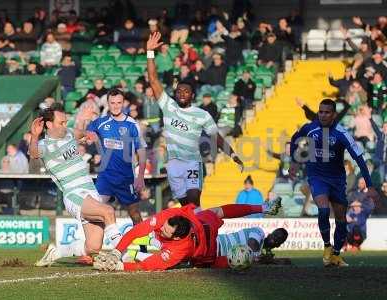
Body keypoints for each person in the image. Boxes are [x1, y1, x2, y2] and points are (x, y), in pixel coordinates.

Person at [145, 32, 244, 206]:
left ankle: (200, 231)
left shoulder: (202, 114)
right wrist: (150, 53)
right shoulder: (168, 106)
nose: (182, 93)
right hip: (173, 164)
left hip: (192, 162)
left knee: (193, 199)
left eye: (186, 91)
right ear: (175, 94)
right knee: (186, 206)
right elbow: (153, 79)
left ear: (192, 95)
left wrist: (233, 154)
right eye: (179, 91)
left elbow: (216, 137)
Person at [29, 103, 122, 267]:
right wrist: (34, 136)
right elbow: (34, 153)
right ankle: (124, 254)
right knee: (108, 211)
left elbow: (80, 133)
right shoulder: (44, 145)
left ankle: (57, 252)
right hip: (74, 194)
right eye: (61, 123)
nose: (65, 126)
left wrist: (86, 127)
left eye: (66, 122)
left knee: (93, 247)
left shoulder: (69, 134)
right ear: (49, 125)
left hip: (91, 192)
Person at [290, 98, 377, 267]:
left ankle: (336, 254)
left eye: (327, 112)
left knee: (341, 220)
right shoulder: (310, 128)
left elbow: (359, 159)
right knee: (323, 210)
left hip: (337, 180)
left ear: (334, 115)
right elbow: (295, 137)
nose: (322, 115)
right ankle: (327, 246)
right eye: (320, 112)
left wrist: (370, 185)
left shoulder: (342, 134)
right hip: (317, 176)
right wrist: (293, 161)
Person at [93, 200, 282, 271]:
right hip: (219, 243)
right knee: (255, 231)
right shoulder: (172, 216)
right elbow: (227, 210)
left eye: (166, 231)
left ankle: (255, 255)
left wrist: (120, 266)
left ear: (176, 238)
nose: (162, 228)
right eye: (164, 226)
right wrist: (261, 208)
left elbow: (149, 265)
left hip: (215, 255)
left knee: (245, 252)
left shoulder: (180, 248)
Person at [86, 88, 147, 249]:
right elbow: (89, 131)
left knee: (135, 214)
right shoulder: (101, 122)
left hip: (126, 178)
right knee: (96, 212)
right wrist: (90, 136)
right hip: (105, 177)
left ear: (123, 103)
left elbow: (141, 151)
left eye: (119, 103)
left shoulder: (132, 124)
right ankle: (92, 248)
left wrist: (140, 177)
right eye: (112, 103)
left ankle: (143, 249)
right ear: (108, 103)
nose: (116, 106)